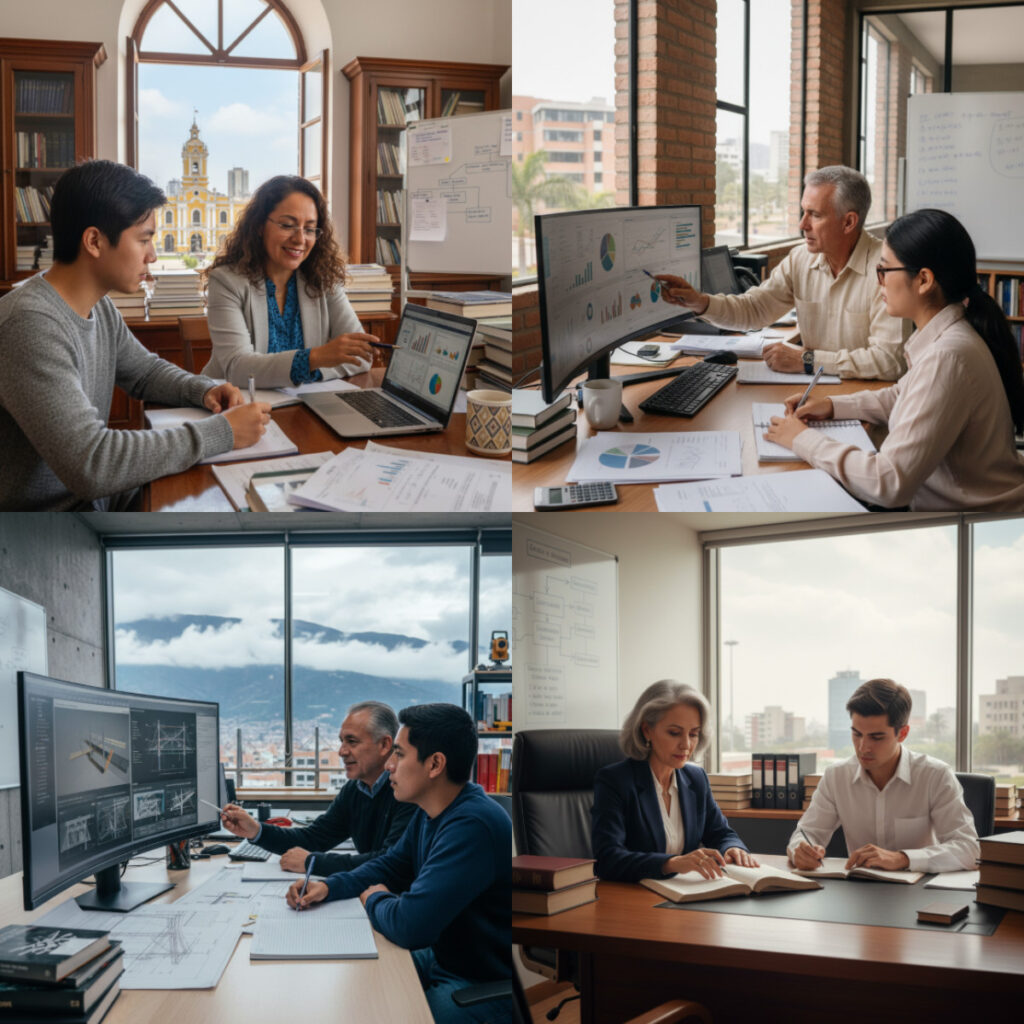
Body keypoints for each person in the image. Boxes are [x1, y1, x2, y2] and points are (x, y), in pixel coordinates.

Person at [0, 160, 270, 511]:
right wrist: (222, 433)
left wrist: (205, 390)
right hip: (40, 528)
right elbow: (93, 464)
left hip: (90, 505)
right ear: (94, 241)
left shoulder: (97, 305)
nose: (153, 256)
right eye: (144, 239)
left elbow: (144, 372)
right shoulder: (30, 324)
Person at [764, 208, 1024, 510]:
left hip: (972, 517)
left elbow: (888, 484)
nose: (879, 282)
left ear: (924, 280)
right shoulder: (949, 335)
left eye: (884, 271)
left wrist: (802, 440)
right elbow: (903, 395)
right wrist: (833, 406)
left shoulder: (948, 356)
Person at [286, 703, 510, 1024]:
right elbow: (389, 866)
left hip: (480, 979)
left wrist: (374, 897)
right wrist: (328, 886)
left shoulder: (472, 825)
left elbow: (410, 927)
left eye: (400, 755)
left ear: (434, 764)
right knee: (364, 980)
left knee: (400, 1013)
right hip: (448, 956)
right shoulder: (430, 811)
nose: (389, 765)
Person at [657, 166, 905, 380]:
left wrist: (808, 360)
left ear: (849, 222)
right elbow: (754, 309)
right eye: (803, 211)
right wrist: (700, 303)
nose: (802, 224)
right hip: (814, 393)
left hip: (865, 399)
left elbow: (890, 361)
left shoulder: (889, 267)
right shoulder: (800, 259)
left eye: (815, 215)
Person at [788, 678, 979, 873]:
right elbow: (806, 833)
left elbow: (970, 849)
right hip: (859, 892)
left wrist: (903, 858)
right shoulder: (835, 776)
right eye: (857, 734)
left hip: (920, 894)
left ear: (902, 733)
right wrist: (801, 851)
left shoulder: (935, 776)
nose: (863, 747)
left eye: (876, 737)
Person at [203, 174, 375, 388]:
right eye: (287, 225)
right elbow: (238, 369)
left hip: (301, 408)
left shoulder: (323, 279)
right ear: (259, 225)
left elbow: (361, 357)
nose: (300, 239)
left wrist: (311, 369)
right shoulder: (226, 281)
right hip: (235, 405)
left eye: (310, 229)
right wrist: (314, 359)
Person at [219, 701, 414, 876]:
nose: (341, 751)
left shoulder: (408, 792)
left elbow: (391, 862)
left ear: (384, 745)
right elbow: (313, 838)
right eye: (341, 741)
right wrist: (255, 830)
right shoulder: (356, 789)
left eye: (352, 741)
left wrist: (312, 862)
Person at [591, 680, 757, 883]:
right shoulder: (615, 781)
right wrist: (671, 863)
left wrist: (732, 847)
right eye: (674, 733)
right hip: (634, 899)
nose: (686, 745)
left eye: (693, 734)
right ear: (646, 730)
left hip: (685, 896)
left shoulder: (696, 779)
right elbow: (607, 859)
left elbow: (721, 832)